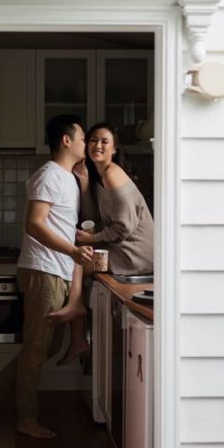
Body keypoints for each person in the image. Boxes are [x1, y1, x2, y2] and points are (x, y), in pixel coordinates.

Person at [0, 115, 94, 439]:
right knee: (37, 347)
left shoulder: (68, 178)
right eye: (83, 137)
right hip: (42, 268)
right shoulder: (48, 175)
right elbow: (35, 223)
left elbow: (59, 224)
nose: (87, 143)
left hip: (55, 269)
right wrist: (73, 252)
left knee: (46, 345)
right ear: (66, 140)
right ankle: (25, 418)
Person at [50, 121, 154, 364]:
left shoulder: (113, 174)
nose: (97, 145)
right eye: (93, 140)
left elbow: (124, 227)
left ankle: (76, 310)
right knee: (77, 255)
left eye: (104, 141)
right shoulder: (99, 175)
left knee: (78, 256)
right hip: (121, 246)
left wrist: (93, 238)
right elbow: (91, 219)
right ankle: (78, 338)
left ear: (114, 149)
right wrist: (85, 181)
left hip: (136, 251)